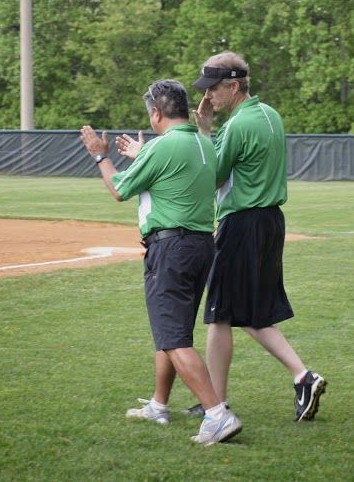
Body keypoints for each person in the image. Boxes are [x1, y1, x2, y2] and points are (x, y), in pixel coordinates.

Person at [79, 78, 242, 445]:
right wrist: (145, 155)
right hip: (201, 246)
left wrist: (99, 155)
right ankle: (158, 405)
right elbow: (180, 175)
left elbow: (119, 188)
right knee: (173, 332)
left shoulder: (162, 146)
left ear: (156, 113)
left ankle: (217, 415)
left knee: (172, 337)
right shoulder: (203, 142)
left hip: (171, 249)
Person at [192, 51, 327, 422]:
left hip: (242, 223)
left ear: (234, 86)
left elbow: (214, 176)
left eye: (214, 89)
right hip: (271, 222)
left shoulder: (237, 126)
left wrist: (204, 129)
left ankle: (298, 378)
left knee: (227, 314)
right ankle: (217, 400)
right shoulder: (271, 116)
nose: (209, 97)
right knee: (241, 314)